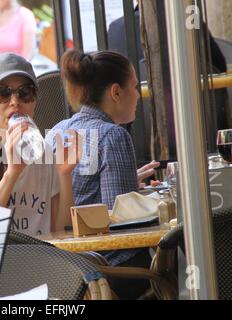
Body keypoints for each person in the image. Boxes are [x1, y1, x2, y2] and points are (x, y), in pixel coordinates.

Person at [47, 49, 159, 299]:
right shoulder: (112, 135)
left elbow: (84, 193)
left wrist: (131, 182)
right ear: (116, 92)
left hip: (67, 266)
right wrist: (157, 200)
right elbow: (121, 220)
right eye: (134, 86)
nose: (139, 96)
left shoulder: (58, 130)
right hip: (110, 267)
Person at [0, 52, 80, 236]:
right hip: (0, 264)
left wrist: (64, 174)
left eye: (25, 92)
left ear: (34, 101)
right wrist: (12, 174)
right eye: (2, 92)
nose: (15, 102)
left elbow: (61, 232)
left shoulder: (43, 153)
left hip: (44, 262)